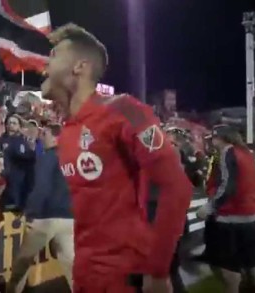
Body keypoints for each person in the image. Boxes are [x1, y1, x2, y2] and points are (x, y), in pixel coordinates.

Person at [41, 23, 193, 293]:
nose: (44, 64)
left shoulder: (124, 109)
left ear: (79, 67)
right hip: (87, 275)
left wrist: (157, 272)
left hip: (126, 277)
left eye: (53, 56)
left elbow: (175, 186)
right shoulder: (67, 132)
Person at [7, 123, 74, 293]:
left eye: (45, 134)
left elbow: (41, 187)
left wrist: (30, 212)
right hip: (69, 218)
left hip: (45, 218)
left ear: (55, 137)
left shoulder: (48, 157)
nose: (41, 137)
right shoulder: (71, 157)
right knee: (72, 266)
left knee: (22, 262)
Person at [197, 124, 255, 293]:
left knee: (230, 268)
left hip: (230, 218)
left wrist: (210, 207)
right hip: (251, 217)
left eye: (214, 138)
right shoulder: (247, 154)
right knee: (252, 263)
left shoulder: (227, 153)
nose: (213, 142)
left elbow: (228, 186)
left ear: (221, 138)